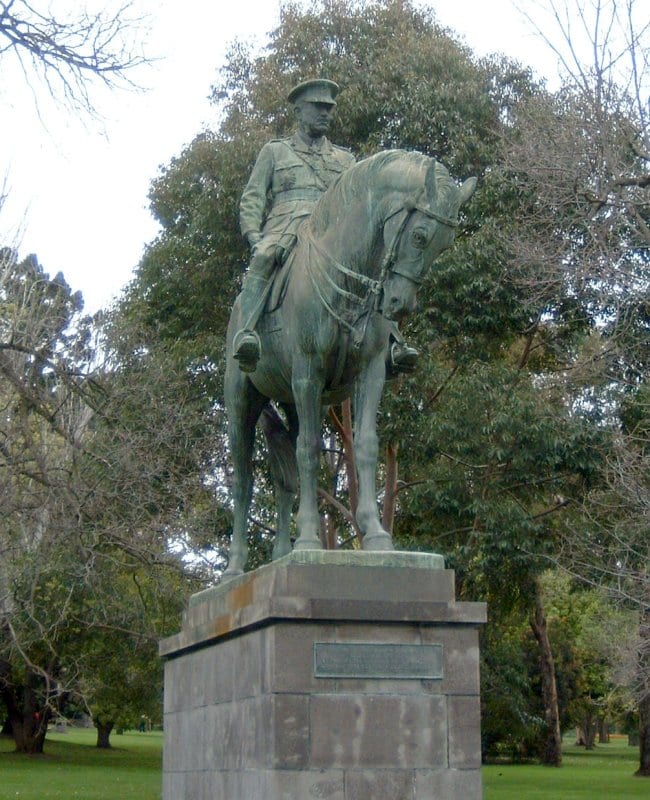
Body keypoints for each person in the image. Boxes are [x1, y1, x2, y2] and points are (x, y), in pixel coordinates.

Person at [233, 78, 418, 374]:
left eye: (329, 109)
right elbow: (253, 198)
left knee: (378, 268)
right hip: (285, 226)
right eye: (318, 107)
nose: (326, 114)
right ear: (298, 110)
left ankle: (394, 343)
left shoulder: (345, 160)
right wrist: (255, 236)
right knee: (265, 256)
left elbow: (361, 205)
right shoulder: (275, 152)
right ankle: (248, 333)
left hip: (330, 233)